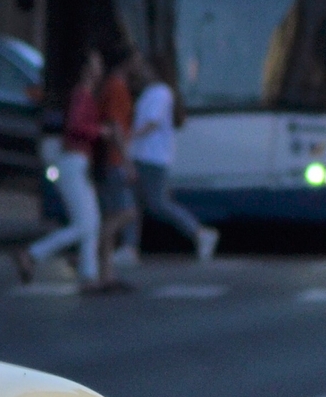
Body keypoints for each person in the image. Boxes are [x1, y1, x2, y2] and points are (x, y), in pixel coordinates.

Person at [18, 50, 124, 291]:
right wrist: (100, 131)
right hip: (73, 162)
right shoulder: (82, 95)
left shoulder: (84, 95)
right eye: (96, 65)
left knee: (91, 222)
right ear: (86, 70)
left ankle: (89, 275)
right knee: (84, 224)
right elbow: (76, 126)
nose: (100, 70)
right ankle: (32, 254)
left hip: (77, 162)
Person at [128, 56, 219, 261]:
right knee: (134, 204)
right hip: (142, 154)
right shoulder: (150, 92)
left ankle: (200, 233)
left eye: (145, 67)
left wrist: (128, 136)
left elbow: (152, 122)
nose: (141, 71)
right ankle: (129, 247)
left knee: (157, 203)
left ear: (154, 69)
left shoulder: (161, 92)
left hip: (153, 157)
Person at [99, 54, 143, 269]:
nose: (139, 64)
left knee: (114, 211)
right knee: (127, 212)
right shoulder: (117, 87)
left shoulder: (116, 86)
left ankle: (106, 264)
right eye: (135, 59)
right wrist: (127, 162)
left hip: (114, 158)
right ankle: (101, 247)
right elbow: (115, 126)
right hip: (115, 159)